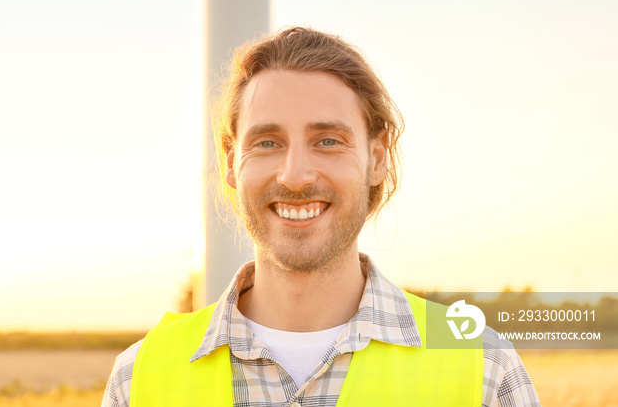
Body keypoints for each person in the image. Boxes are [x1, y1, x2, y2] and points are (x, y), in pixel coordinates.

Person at [102, 27, 540, 406]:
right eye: (268, 142)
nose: (295, 175)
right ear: (232, 163)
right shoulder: (137, 379)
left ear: (377, 158)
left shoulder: (485, 370)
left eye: (328, 140)